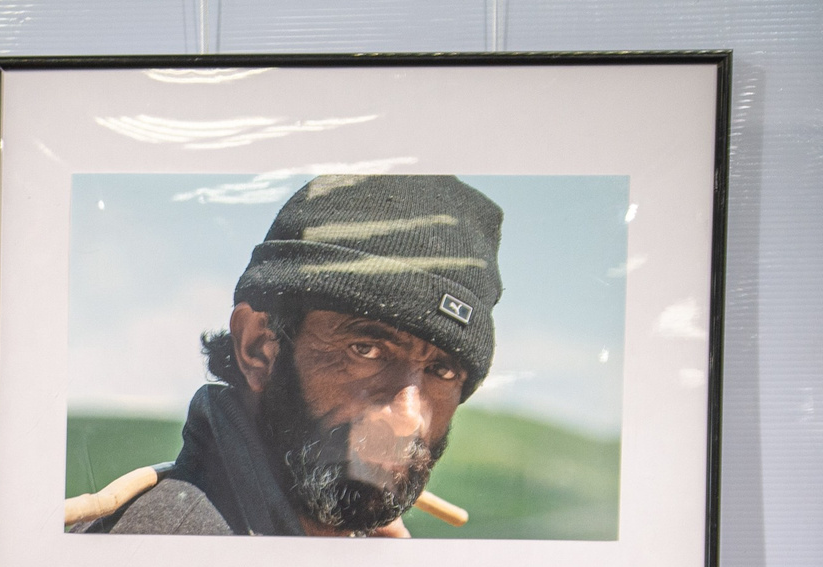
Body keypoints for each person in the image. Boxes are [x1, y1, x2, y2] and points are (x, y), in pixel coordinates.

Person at [75, 173, 504, 537]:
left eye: (442, 370)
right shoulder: (152, 554)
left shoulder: (363, 564)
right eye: (366, 349)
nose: (409, 418)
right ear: (259, 347)